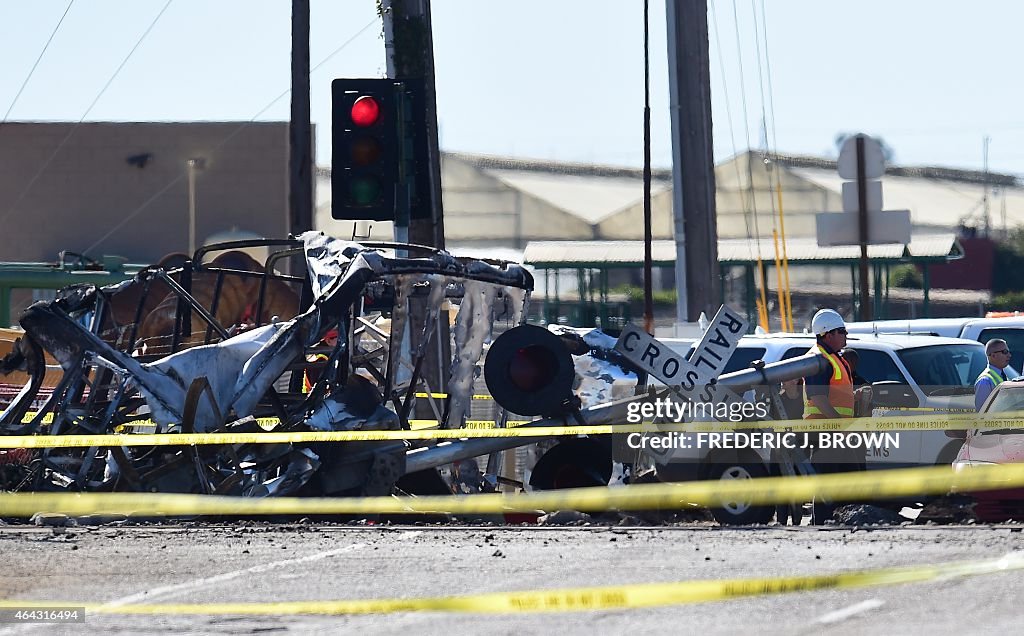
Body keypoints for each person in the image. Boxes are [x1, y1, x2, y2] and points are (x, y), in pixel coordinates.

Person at [804, 308, 862, 523]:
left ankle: (842, 521)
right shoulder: (818, 359)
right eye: (842, 331)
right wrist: (839, 424)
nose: (845, 335)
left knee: (850, 481)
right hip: (825, 433)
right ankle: (822, 526)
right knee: (827, 485)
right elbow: (817, 397)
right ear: (828, 334)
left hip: (837, 433)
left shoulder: (834, 358)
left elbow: (833, 395)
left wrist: (854, 397)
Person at [975, 338, 1011, 411]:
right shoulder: (985, 381)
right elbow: (982, 412)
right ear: (993, 356)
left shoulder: (1003, 376)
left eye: (1008, 352)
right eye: (1005, 352)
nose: (1009, 355)